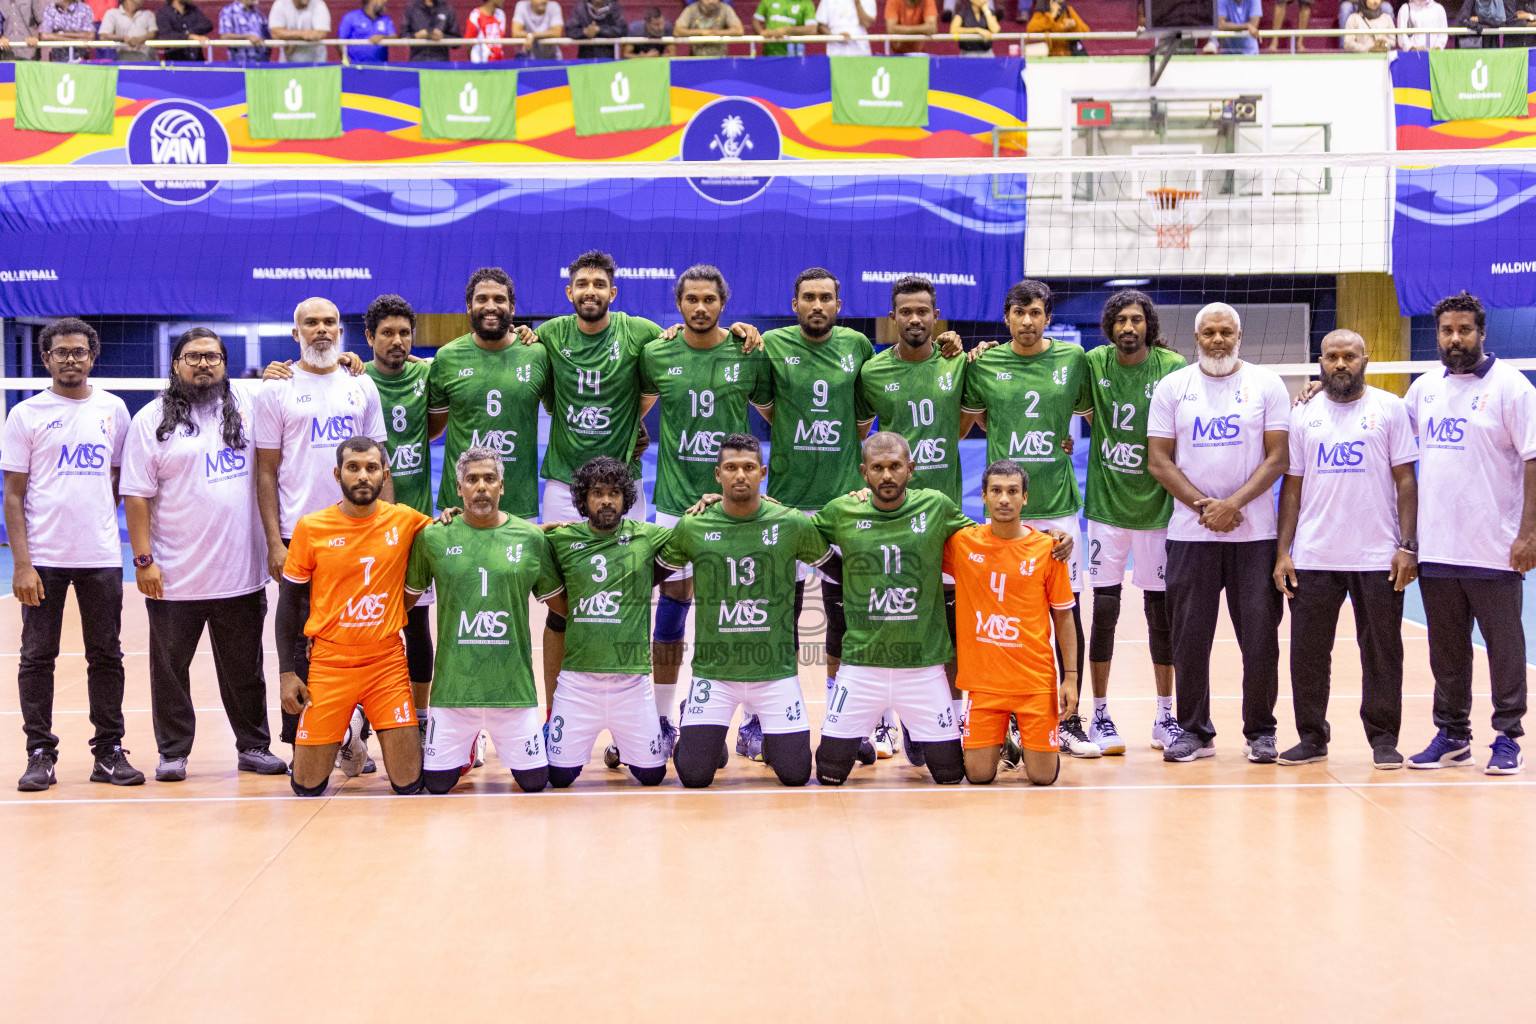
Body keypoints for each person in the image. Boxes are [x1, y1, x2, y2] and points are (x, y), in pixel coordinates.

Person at [120, 329, 286, 782]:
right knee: (170, 672)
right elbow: (136, 496)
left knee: (245, 672)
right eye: (192, 356)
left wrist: (351, 361)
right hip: (174, 577)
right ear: (175, 364)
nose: (203, 364)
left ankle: (254, 746)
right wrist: (143, 560)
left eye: (212, 356)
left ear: (225, 362)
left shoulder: (251, 405)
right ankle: (173, 752)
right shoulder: (151, 419)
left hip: (240, 574)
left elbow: (308, 379)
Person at [1147, 302, 1290, 764]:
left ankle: (1261, 731)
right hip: (1191, 534)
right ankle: (1193, 730)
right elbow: (1159, 461)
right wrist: (1205, 507)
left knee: (1260, 639)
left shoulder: (1266, 385)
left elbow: (1278, 458)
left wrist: (1234, 505)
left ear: (1240, 336)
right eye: (1209, 332)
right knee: (1189, 638)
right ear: (1196, 338)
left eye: (1226, 332)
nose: (1218, 340)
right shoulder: (1173, 387)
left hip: (1255, 536)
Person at [638, 265, 772, 756]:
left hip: (738, 505)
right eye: (691, 299)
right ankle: (662, 718)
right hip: (677, 504)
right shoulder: (657, 352)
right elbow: (636, 408)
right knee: (673, 606)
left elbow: (775, 413)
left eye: (709, 299)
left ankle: (755, 719)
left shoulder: (747, 351)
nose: (700, 307)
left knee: (745, 610)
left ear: (724, 303)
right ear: (678, 305)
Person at [961, 279, 1096, 757]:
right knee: (1001, 613)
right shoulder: (985, 363)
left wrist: (1064, 443)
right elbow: (973, 419)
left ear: (1047, 317)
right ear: (1006, 317)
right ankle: (1009, 719)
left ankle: (1072, 715)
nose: (1027, 321)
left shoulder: (1073, 360)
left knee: (1065, 608)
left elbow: (1096, 413)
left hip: (1057, 506)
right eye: (1019, 312)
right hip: (1005, 511)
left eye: (1036, 312)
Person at [1271, 330, 1417, 770]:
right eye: (1332, 356)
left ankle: (1384, 738)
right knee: (1308, 654)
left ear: (1365, 360)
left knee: (1383, 651)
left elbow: (1406, 481)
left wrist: (1407, 545)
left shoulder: (1390, 409)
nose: (1340, 364)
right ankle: (1312, 736)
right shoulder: (1303, 414)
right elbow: (1291, 489)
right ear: (1320, 361)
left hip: (1377, 556)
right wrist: (1283, 552)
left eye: (1349, 356)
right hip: (1315, 555)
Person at [1404, 291, 1535, 774]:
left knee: (1505, 646)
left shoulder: (1512, 388)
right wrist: (1318, 392)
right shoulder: (1425, 388)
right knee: (1448, 649)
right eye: (1446, 331)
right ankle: (1453, 733)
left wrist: (1529, 534)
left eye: (1464, 330)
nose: (1455, 338)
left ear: (1482, 333)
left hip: (1495, 547)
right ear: (1437, 335)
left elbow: (1533, 460)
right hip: (1438, 547)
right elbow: (1381, 430)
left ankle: (1508, 737)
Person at [4, 319, 137, 792]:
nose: (70, 359)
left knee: (107, 656)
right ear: (47, 359)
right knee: (37, 657)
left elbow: (119, 480)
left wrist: (96, 519)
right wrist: (22, 563)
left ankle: (108, 751)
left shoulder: (113, 409)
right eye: (61, 352)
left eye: (79, 351)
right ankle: (40, 752)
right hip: (44, 559)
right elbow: (13, 495)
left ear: (92, 356)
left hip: (101, 557)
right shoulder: (27, 415)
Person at [658, 434, 829, 787]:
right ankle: (705, 729)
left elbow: (839, 567)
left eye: (749, 467)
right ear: (717, 474)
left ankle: (727, 729)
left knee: (796, 774)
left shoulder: (791, 522)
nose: (741, 475)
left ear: (762, 472)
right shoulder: (694, 525)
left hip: (775, 674)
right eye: (732, 468)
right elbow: (653, 570)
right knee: (693, 774)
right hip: (715, 673)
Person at [255, 297, 389, 750]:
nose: (321, 330)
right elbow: (266, 472)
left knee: (357, 634)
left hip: (358, 532)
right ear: (296, 334)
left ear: (340, 331)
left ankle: (355, 737)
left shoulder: (361, 385)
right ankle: (302, 740)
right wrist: (274, 541)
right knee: (297, 633)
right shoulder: (276, 389)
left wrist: (386, 529)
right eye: (310, 323)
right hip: (300, 534)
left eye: (329, 322)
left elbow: (378, 463)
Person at [757, 267, 876, 763]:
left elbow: (864, 419)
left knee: (843, 614)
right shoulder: (770, 345)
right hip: (785, 501)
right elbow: (768, 407)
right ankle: (762, 721)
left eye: (826, 297)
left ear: (839, 303)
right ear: (794, 303)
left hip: (841, 503)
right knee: (776, 614)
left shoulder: (859, 347)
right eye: (808, 297)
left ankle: (842, 719)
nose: (817, 305)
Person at [854, 275, 972, 762]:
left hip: (942, 512)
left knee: (947, 623)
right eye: (906, 311)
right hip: (888, 514)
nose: (916, 319)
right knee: (887, 612)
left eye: (924, 310)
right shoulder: (873, 372)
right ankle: (884, 722)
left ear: (936, 314)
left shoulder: (959, 362)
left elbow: (964, 424)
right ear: (893, 316)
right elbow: (863, 435)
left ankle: (946, 719)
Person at [811, 432, 972, 786]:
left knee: (949, 775)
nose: (887, 475)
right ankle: (870, 733)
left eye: (895, 466)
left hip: (922, 667)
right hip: (861, 666)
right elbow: (792, 529)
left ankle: (915, 730)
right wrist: (727, 502)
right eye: (878, 467)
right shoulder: (842, 510)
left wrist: (1045, 537)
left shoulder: (936, 505)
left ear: (910, 469)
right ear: (863, 472)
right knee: (828, 773)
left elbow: (986, 543)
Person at [405, 447, 564, 794]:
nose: (481, 486)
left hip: (513, 693)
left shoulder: (530, 538)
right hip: (452, 694)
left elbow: (561, 607)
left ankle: (484, 739)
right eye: (472, 479)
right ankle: (471, 742)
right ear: (458, 487)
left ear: (502, 487)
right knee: (436, 785)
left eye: (489, 479)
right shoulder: (433, 538)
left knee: (535, 783)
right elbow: (402, 605)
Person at [278, 437, 429, 797]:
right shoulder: (311, 528)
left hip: (386, 661)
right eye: (353, 468)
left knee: (409, 784)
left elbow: (458, 535)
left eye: (372, 468)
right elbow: (287, 605)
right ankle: (347, 732)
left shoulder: (406, 520)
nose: (363, 476)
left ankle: (358, 719)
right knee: (306, 787)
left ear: (385, 474)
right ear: (337, 473)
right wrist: (287, 673)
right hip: (330, 663)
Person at [1074, 290, 1186, 754]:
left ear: (1149, 324)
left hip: (1158, 511)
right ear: (1109, 325)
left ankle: (1165, 715)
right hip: (1106, 511)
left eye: (1136, 319)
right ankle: (1099, 713)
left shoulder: (1172, 367)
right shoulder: (1094, 363)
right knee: (1104, 611)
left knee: (1160, 616)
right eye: (1120, 320)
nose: (1128, 328)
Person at [542, 457, 673, 786]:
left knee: (653, 776)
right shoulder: (561, 539)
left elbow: (696, 530)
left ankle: (631, 744)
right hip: (577, 685)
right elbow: (507, 536)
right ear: (583, 499)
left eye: (614, 492)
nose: (606, 500)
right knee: (559, 777)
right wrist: (541, 529)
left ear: (626, 498)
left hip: (631, 684)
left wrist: (715, 501)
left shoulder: (647, 536)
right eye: (597, 492)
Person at [946, 460, 1077, 786]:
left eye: (1012, 491)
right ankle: (1003, 737)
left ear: (1025, 498)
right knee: (978, 775)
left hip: (1034, 682)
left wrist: (1071, 677)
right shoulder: (962, 543)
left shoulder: (1049, 549)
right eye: (997, 491)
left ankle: (1022, 741)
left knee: (1042, 777)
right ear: (984, 497)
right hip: (985, 683)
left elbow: (1063, 614)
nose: (1004, 499)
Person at [361, 295, 435, 726]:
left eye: (404, 332)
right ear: (369, 337)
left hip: (415, 522)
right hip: (367, 526)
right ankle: (363, 718)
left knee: (417, 623)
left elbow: (437, 424)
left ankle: (421, 716)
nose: (396, 340)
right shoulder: (354, 379)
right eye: (386, 332)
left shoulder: (427, 375)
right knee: (368, 626)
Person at [675, 0, 742, 56]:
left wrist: (717, 33)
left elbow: (739, 30)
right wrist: (702, 33)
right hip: (696, 59)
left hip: (721, 59)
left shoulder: (725, 9)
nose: (711, 1)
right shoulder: (691, 10)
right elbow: (677, 31)